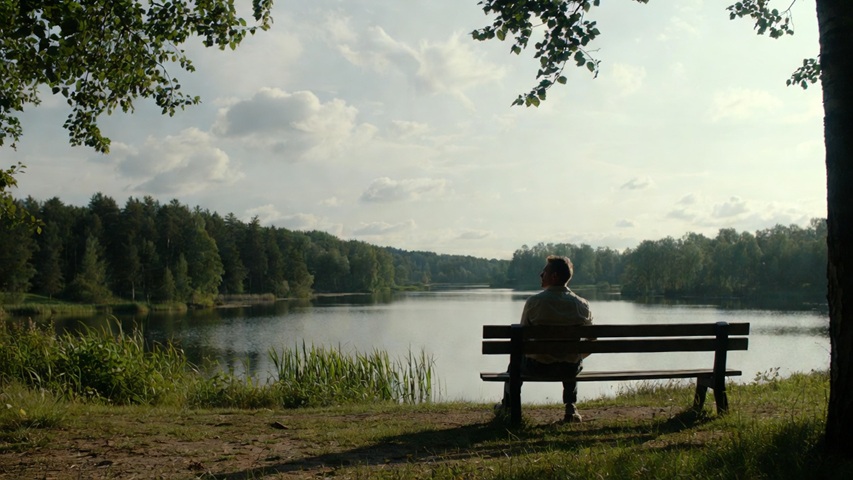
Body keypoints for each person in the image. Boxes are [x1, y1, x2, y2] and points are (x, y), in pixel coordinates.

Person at [496, 255, 594, 422]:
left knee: (514, 364)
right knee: (572, 358)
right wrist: (574, 356)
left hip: (537, 367)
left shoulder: (534, 302)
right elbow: (591, 342)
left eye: (544, 272)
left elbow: (521, 339)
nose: (540, 275)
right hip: (568, 369)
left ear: (554, 276)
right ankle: (570, 408)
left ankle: (508, 405)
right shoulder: (582, 305)